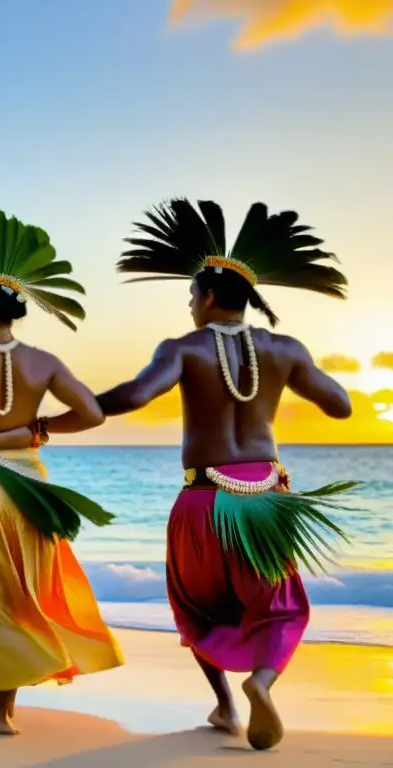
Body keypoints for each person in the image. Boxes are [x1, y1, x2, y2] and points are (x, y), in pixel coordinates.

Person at [79, 198, 356, 750]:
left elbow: (134, 396)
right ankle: (264, 679)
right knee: (280, 607)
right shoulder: (284, 349)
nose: (189, 307)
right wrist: (290, 376)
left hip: (203, 499)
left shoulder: (182, 348)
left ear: (207, 296)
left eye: (190, 296)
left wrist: (77, 405)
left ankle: (227, 704)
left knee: (198, 606)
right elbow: (342, 406)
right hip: (267, 502)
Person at [0, 208, 124, 736]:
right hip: (31, 483)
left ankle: (1, 709)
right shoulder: (46, 361)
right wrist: (36, 429)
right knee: (21, 591)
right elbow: (93, 413)